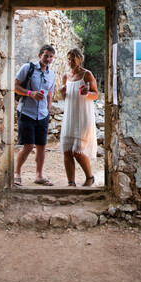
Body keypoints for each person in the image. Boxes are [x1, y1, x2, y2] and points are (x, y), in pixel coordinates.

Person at [14, 44, 56, 186]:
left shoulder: (52, 74)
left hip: (43, 114)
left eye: (51, 57)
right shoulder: (28, 68)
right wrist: (30, 93)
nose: (48, 59)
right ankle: (17, 173)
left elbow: (49, 95)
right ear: (40, 55)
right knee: (28, 145)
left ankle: (39, 176)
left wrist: (48, 112)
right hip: (27, 112)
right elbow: (15, 86)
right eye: (46, 55)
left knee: (41, 146)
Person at [59, 48, 99, 187]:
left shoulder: (87, 74)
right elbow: (65, 98)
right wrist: (62, 92)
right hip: (70, 116)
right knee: (67, 151)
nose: (70, 62)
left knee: (78, 152)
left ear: (79, 59)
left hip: (83, 116)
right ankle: (71, 183)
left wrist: (88, 93)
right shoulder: (65, 76)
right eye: (68, 59)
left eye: (73, 59)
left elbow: (96, 95)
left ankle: (90, 178)